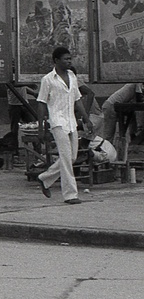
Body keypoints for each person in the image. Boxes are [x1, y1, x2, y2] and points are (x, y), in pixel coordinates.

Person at [36, 47, 94, 205]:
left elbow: (77, 100)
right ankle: (70, 195)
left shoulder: (72, 76)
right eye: (65, 59)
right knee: (67, 158)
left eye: (70, 59)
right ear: (56, 60)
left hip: (71, 121)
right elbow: (41, 104)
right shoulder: (47, 80)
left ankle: (44, 178)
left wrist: (87, 119)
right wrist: (42, 128)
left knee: (72, 157)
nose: (69, 61)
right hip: (57, 122)